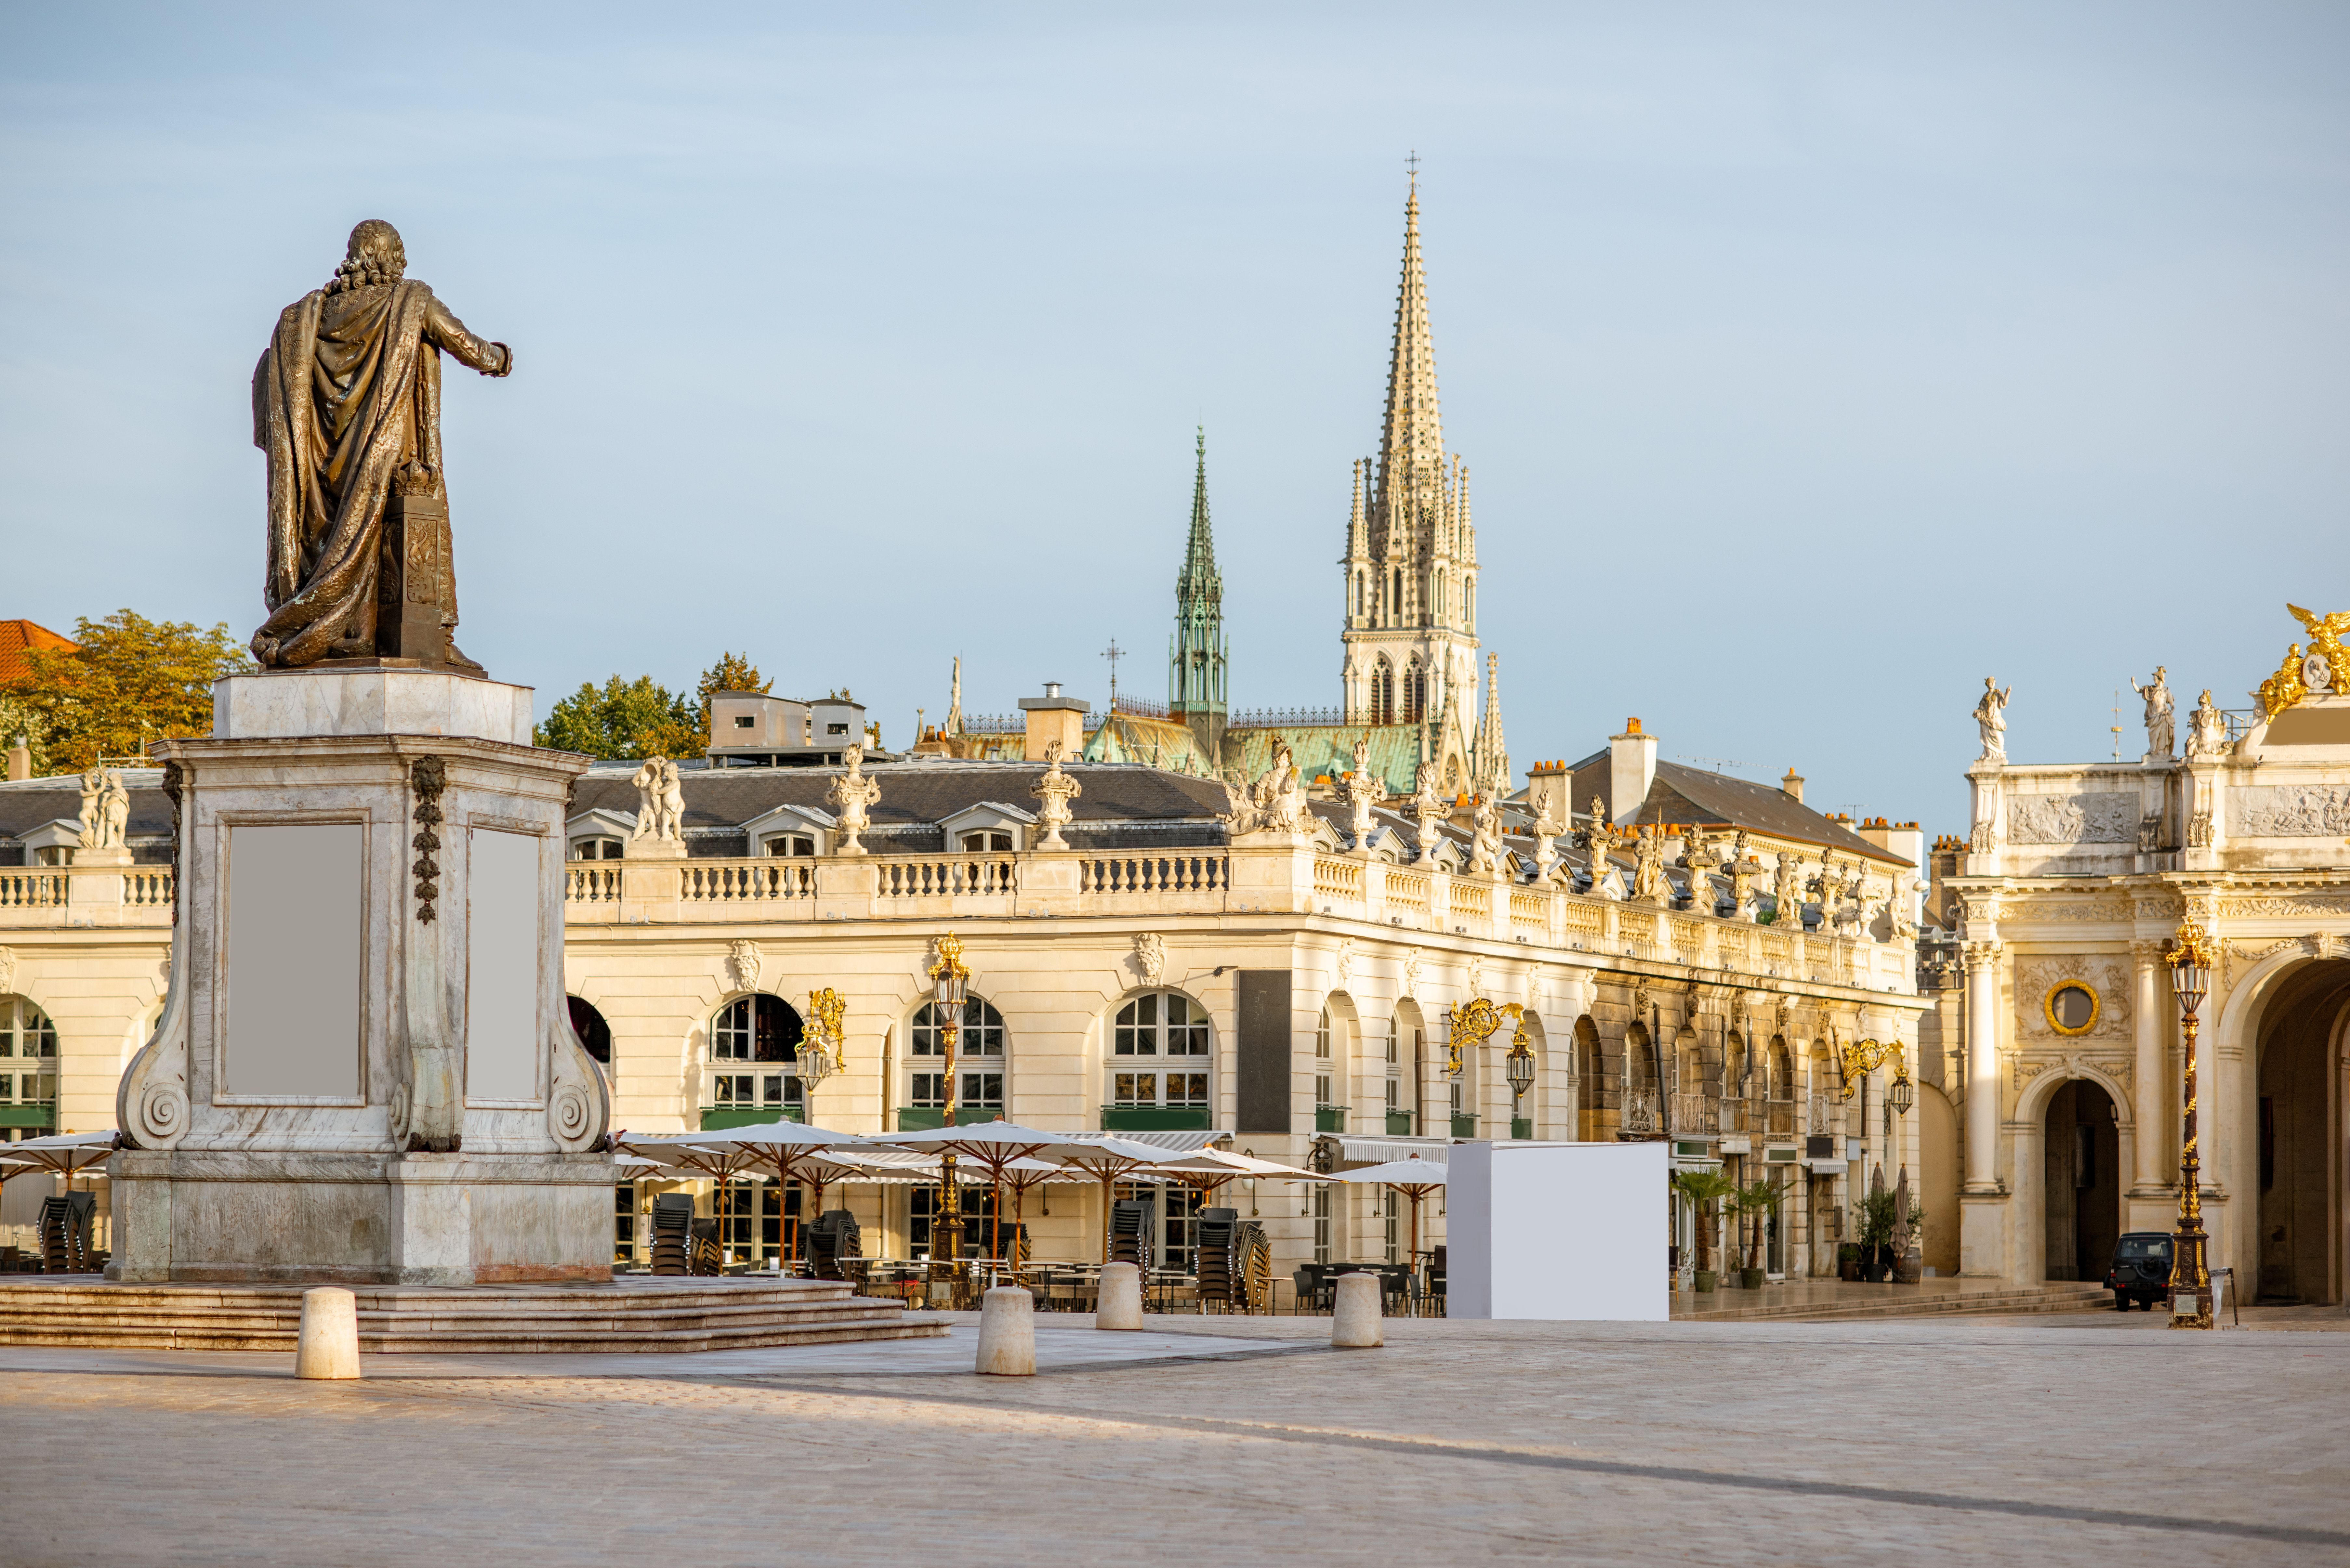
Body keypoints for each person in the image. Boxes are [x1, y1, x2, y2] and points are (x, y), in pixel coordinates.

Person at [249, 220, 511, 672]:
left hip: (318, 471)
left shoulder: (303, 319)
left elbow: (268, 382)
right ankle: (429, 637)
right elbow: (470, 347)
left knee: (338, 543)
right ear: (391, 257)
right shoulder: (410, 302)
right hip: (386, 457)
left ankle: (343, 633)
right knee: (406, 532)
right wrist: (502, 358)